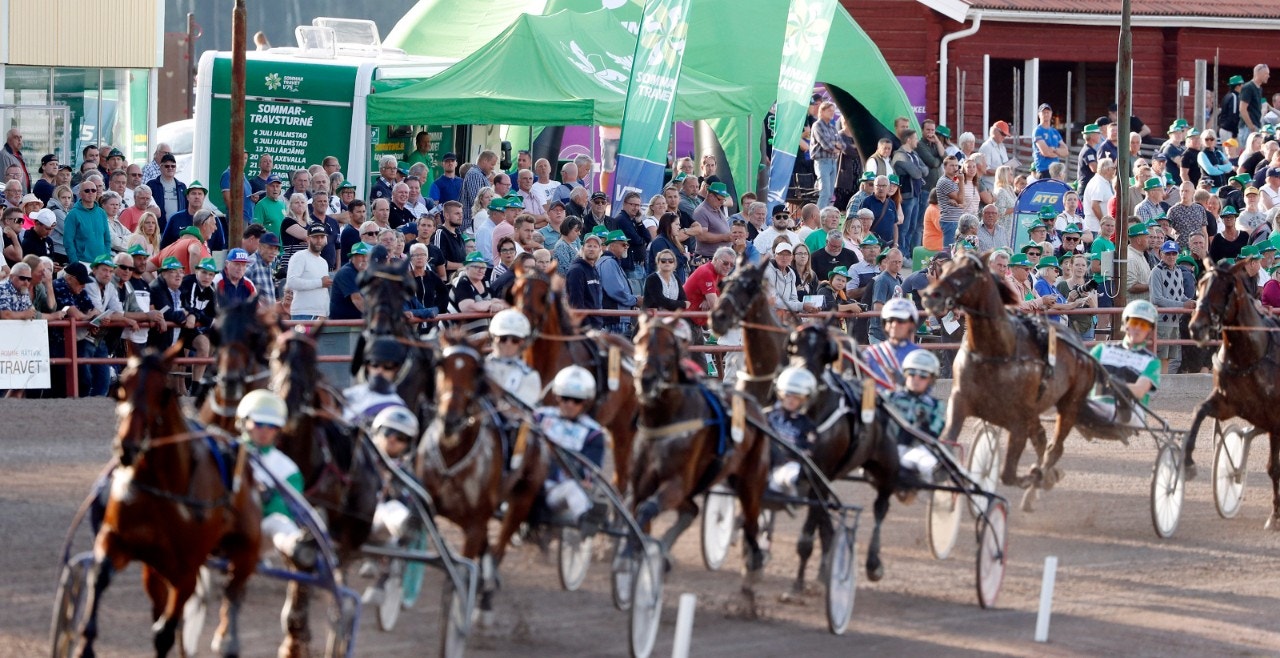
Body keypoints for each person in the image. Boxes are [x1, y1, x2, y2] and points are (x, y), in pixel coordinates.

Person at [238, 390, 313, 567]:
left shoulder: (288, 468)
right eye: (259, 423)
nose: (264, 431)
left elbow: (287, 509)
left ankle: (296, 547)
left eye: (272, 426)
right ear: (244, 422)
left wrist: (267, 499)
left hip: (260, 533)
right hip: (226, 528)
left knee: (278, 522)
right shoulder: (226, 452)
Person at [533, 366, 606, 524]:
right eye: (565, 398)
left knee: (573, 488)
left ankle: (587, 519)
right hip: (529, 483)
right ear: (557, 397)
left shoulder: (593, 433)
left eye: (577, 400)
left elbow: (590, 470)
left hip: (557, 490)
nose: (570, 404)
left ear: (586, 402)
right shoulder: (539, 417)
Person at [886, 349, 946, 485]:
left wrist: (924, 425)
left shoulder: (936, 405)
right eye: (911, 374)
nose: (916, 379)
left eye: (923, 376)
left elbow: (936, 429)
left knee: (927, 461)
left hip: (919, 448)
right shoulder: (890, 397)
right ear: (905, 375)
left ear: (931, 380)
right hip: (889, 445)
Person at [765, 366, 820, 498]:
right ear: (781, 395)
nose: (791, 400)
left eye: (796, 397)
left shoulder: (807, 425)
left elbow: (809, 450)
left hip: (787, 466)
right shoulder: (768, 416)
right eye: (788, 395)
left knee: (791, 474)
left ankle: (785, 490)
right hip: (763, 461)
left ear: (803, 400)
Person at [485, 309, 543, 408]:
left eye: (515, 340)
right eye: (503, 338)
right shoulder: (479, 369)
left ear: (522, 343)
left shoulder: (530, 376)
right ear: (493, 338)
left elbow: (525, 413)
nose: (508, 344)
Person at [344, 337, 408, 425]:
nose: (379, 370)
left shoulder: (398, 407)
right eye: (375, 364)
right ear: (367, 367)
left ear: (397, 369)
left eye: (387, 366)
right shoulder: (349, 394)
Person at [864, 296, 921, 389]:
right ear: (884, 324)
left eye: (901, 320)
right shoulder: (870, 354)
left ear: (911, 324)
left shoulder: (919, 355)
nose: (894, 325)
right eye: (890, 320)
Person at [285, 224, 332, 321]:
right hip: (303, 314)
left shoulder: (323, 262)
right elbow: (291, 282)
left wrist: (326, 312)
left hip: (321, 315)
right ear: (307, 239)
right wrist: (320, 283)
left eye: (322, 237)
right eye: (315, 237)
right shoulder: (299, 256)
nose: (319, 240)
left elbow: (323, 291)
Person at [598, 230, 638, 334]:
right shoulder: (608, 262)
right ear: (612, 245)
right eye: (623, 244)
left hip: (618, 318)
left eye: (627, 244)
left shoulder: (612, 262)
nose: (626, 247)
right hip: (615, 320)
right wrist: (635, 300)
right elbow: (616, 291)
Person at [565, 232, 604, 329]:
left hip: (596, 324)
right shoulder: (576, 270)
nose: (591, 249)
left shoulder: (594, 269)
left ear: (600, 250)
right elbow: (576, 302)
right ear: (582, 248)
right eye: (589, 246)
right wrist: (586, 327)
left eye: (595, 246)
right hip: (584, 328)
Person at [329, 242, 370, 320]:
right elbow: (357, 299)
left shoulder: (365, 273)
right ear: (352, 258)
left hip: (356, 321)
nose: (364, 259)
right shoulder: (346, 272)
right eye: (361, 256)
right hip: (342, 325)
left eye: (366, 256)